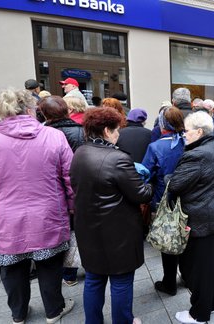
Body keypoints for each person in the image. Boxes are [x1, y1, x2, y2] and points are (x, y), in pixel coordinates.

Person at [0, 89, 75, 324]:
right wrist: (72, 205)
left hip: (5, 216)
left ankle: (19, 314)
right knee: (49, 263)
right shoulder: (53, 136)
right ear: (32, 109)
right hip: (48, 212)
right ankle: (54, 310)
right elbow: (70, 177)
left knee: (12, 268)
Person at [71, 108, 153, 324]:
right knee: (121, 280)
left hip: (88, 227)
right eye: (117, 130)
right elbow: (141, 194)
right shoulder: (117, 158)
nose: (119, 134)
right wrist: (149, 183)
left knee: (94, 279)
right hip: (118, 231)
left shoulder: (80, 152)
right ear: (107, 131)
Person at [168, 111, 214, 324]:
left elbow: (175, 184)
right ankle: (211, 303)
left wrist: (167, 177)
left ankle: (199, 315)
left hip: (200, 218)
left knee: (200, 269)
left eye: (187, 131)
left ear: (199, 132)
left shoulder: (197, 154)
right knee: (211, 266)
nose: (184, 135)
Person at [39, 96, 85, 287]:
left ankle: (66, 272)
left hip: (49, 191)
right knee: (77, 232)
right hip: (75, 189)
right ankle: (75, 271)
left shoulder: (41, 133)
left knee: (59, 233)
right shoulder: (80, 132)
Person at [141, 106, 185, 297]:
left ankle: (169, 283)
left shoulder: (156, 147)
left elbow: (144, 173)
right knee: (185, 237)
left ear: (162, 125)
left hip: (163, 200)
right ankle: (187, 276)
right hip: (187, 198)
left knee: (168, 241)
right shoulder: (188, 142)